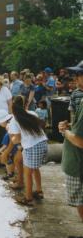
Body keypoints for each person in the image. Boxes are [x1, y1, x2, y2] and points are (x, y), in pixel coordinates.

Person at [9, 96, 48, 206]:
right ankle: (39, 191)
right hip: (43, 143)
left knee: (27, 173)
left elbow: (17, 139)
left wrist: (11, 137)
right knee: (35, 169)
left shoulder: (14, 120)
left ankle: (28, 198)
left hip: (32, 147)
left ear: (13, 107)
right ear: (26, 105)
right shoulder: (33, 113)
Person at [59, 64, 83, 221]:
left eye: (79, 75)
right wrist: (70, 126)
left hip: (78, 164)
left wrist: (65, 132)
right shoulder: (78, 96)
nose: (76, 79)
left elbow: (80, 141)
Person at [0, 109, 23, 186]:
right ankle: (18, 178)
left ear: (3, 120)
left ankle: (20, 181)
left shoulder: (10, 125)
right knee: (17, 162)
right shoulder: (12, 122)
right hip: (21, 144)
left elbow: (12, 140)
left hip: (23, 144)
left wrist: (6, 152)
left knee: (18, 162)